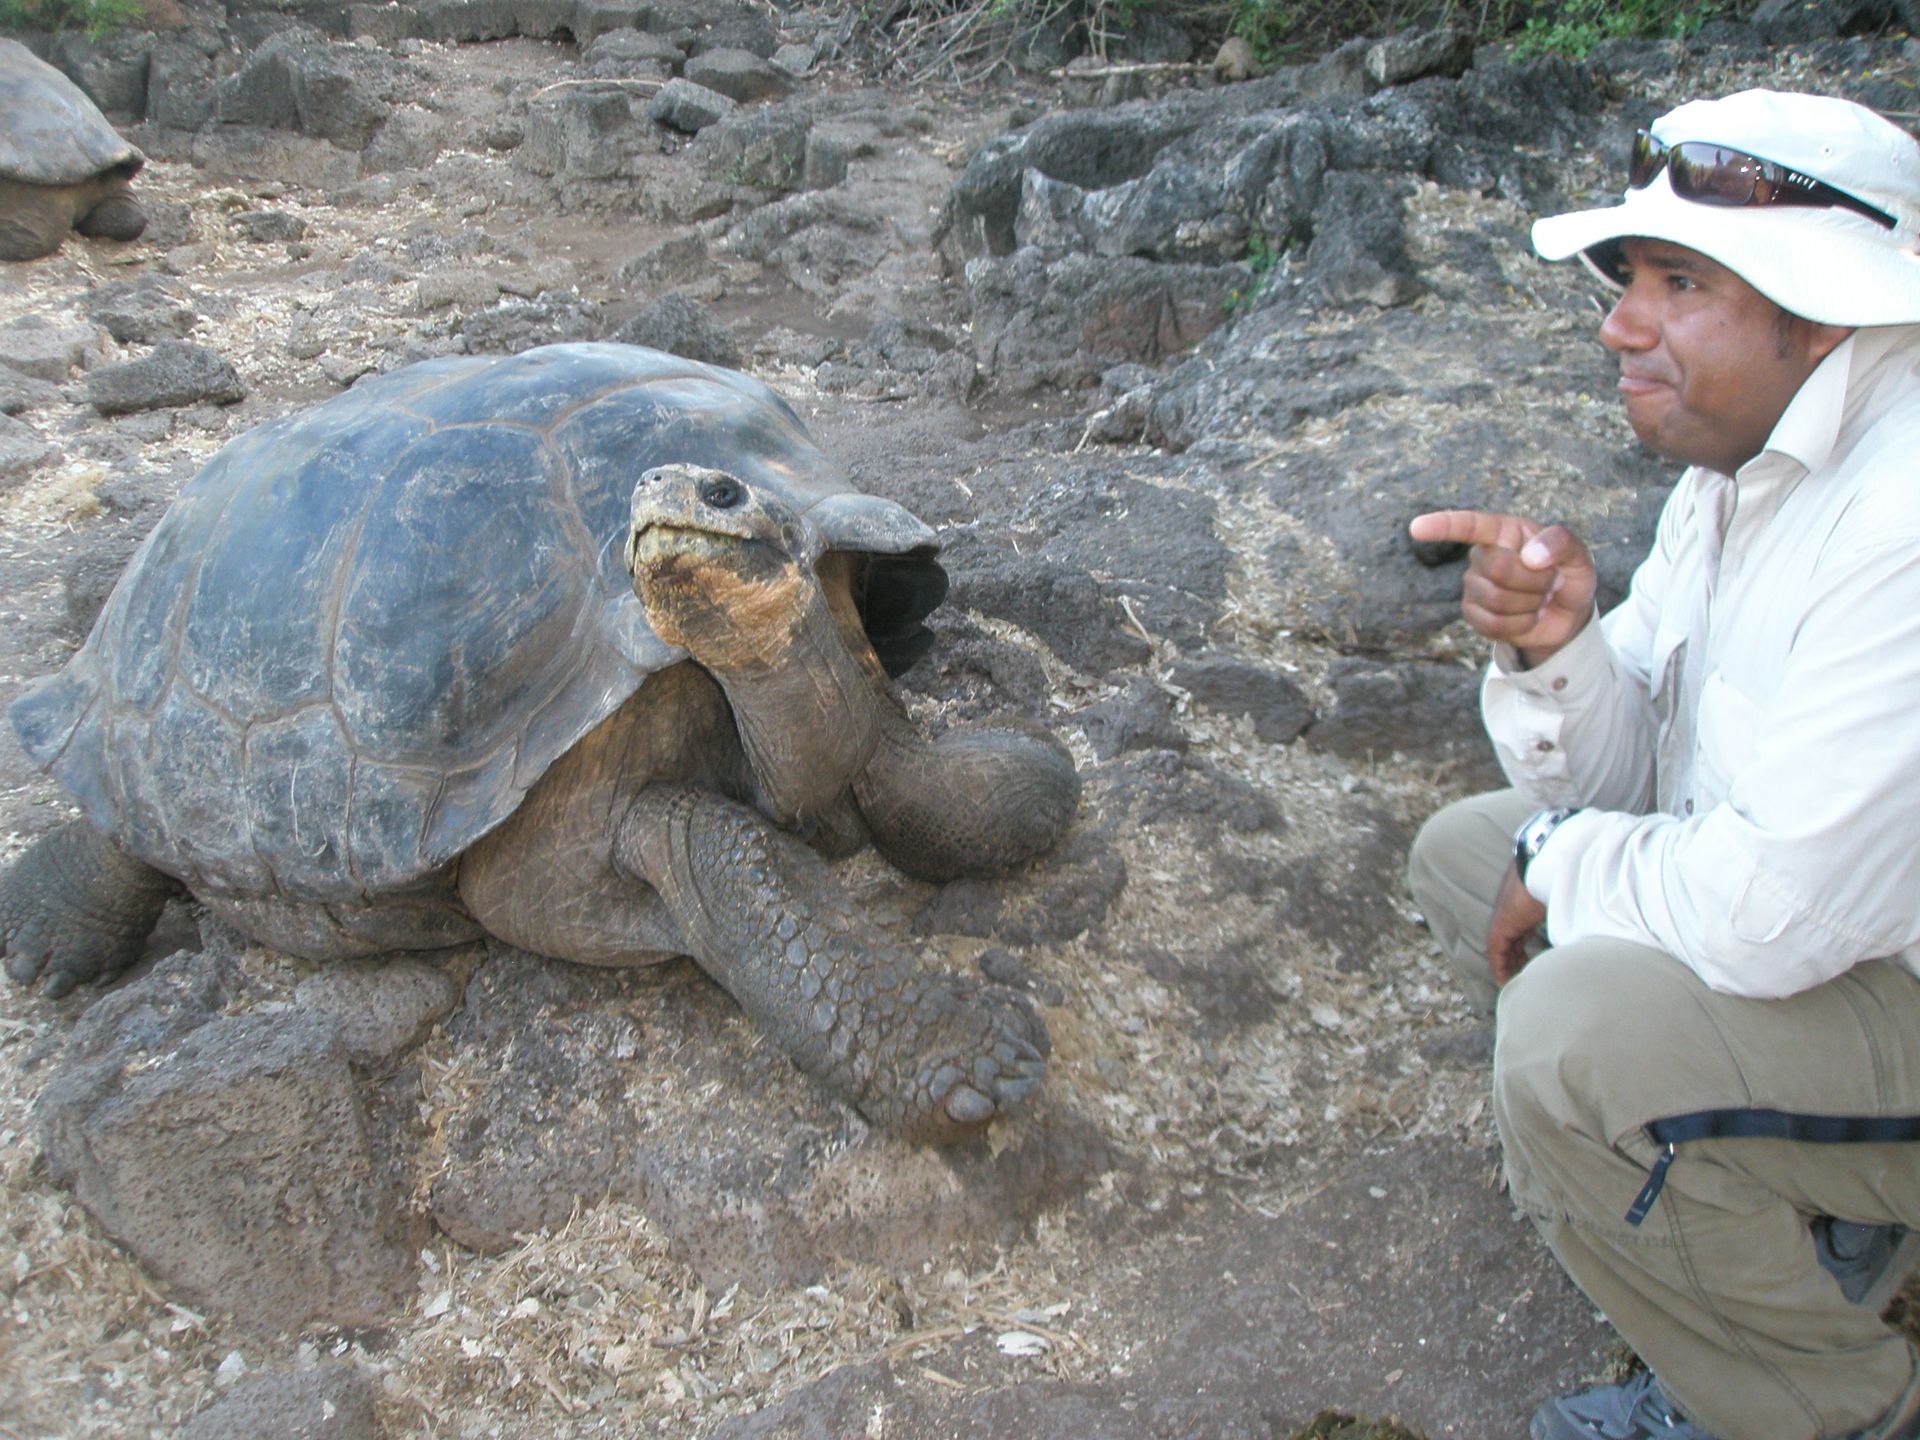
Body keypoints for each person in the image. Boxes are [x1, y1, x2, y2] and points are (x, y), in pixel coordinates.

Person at [1404, 88, 1920, 1440]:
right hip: (1865, 944)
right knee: (1464, 853)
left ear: (1820, 313)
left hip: (1856, 952)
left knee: (1572, 1044)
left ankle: (1829, 1412)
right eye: (1631, 277)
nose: (1618, 323)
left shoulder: (1904, 517)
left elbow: (1772, 911)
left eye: (1677, 282)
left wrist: (1558, 864)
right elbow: (1635, 778)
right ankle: (1800, 1217)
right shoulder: (1746, 467)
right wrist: (1560, 653)